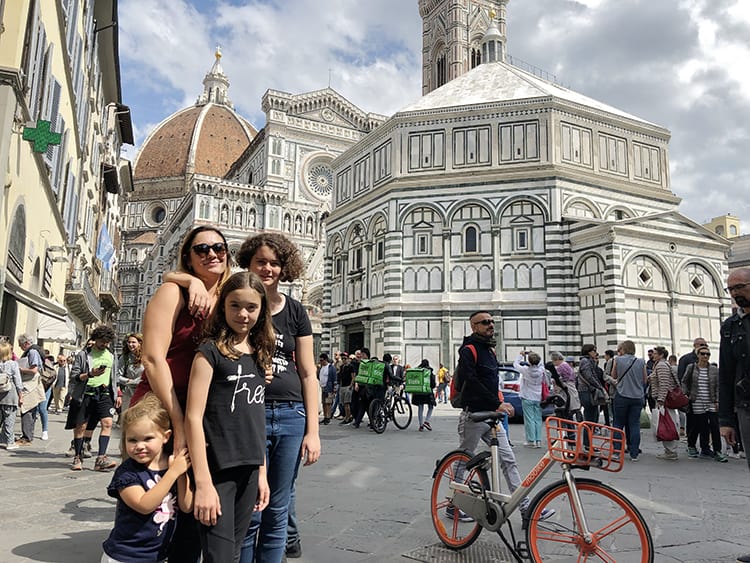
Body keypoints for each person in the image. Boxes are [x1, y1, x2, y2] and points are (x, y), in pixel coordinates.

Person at [135, 225, 232, 563]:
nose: (211, 254)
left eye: (218, 247)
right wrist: (175, 416)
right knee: (155, 494)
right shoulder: (172, 293)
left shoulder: (228, 297)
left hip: (203, 409)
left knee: (190, 500)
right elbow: (151, 357)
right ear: (189, 258)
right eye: (201, 249)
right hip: (161, 406)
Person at [232, 233, 320, 562]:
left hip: (290, 414)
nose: (268, 268)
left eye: (275, 263)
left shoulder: (295, 310)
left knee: (278, 508)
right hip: (248, 413)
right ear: (249, 263)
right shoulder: (238, 305)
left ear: (284, 268)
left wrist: (313, 430)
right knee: (252, 508)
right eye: (261, 262)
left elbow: (309, 373)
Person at [185, 271, 274, 562]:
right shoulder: (209, 352)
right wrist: (203, 483)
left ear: (262, 312)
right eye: (235, 305)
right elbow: (193, 418)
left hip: (249, 469)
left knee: (233, 554)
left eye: (252, 307)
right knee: (219, 556)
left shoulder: (260, 354)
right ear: (223, 306)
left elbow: (256, 418)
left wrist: (261, 474)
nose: (243, 314)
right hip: (217, 470)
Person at [453, 311, 552, 522]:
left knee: (509, 460)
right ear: (474, 326)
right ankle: (453, 505)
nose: (490, 324)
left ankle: (525, 507)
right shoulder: (468, 350)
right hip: (473, 416)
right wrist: (498, 402)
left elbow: (492, 381)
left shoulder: (490, 350)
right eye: (484, 322)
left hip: (492, 417)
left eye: (491, 321)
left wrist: (498, 404)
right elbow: (470, 381)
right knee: (463, 459)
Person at [101, 393, 193, 562]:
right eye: (132, 440)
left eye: (148, 438)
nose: (139, 446)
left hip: (159, 556)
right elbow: (144, 505)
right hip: (125, 557)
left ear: (165, 436)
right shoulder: (127, 473)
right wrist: (173, 474)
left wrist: (180, 474)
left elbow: (186, 506)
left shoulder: (173, 466)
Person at [718, 268, 750, 563]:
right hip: (746, 408)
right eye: (730, 290)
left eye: (739, 287)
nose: (735, 294)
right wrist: (725, 420)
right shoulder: (730, 327)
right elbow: (726, 375)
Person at [66, 325, 121, 471]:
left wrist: (117, 393)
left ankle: (101, 458)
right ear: (95, 339)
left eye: (107, 341)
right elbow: (75, 376)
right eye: (102, 341)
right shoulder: (84, 355)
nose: (104, 344)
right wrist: (90, 374)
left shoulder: (111, 355)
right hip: (86, 394)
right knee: (81, 426)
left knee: (107, 423)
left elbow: (114, 376)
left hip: (105, 394)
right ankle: (78, 456)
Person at [682, 344, 726, 462]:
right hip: (696, 401)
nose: (705, 356)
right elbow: (684, 382)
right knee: (701, 425)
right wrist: (686, 394)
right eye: (703, 354)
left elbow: (718, 386)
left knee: (714, 425)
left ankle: (717, 450)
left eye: (708, 354)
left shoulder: (713, 370)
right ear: (698, 355)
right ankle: (703, 448)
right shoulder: (691, 367)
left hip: (710, 401)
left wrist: (717, 400)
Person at [610, 340, 648, 462]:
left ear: (623, 349)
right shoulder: (641, 361)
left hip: (622, 395)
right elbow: (645, 379)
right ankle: (634, 453)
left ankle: (616, 452)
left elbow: (614, 375)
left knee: (618, 424)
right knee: (634, 424)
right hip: (637, 396)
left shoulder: (618, 359)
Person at [651, 346, 680, 461]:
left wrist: (660, 400)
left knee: (667, 423)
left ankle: (670, 450)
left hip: (664, 399)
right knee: (668, 422)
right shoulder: (662, 364)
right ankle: (670, 450)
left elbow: (664, 383)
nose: (653, 355)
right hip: (664, 398)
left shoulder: (661, 365)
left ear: (661, 354)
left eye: (655, 353)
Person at [16, 334, 46, 445]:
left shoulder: (32, 352)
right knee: (31, 409)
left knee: (27, 409)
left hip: (30, 383)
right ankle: (28, 435)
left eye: (20, 345)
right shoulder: (34, 350)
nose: (20, 347)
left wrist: (21, 369)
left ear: (26, 343)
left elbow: (34, 370)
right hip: (32, 383)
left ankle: (26, 437)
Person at [514, 350, 545, 448]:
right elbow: (541, 363)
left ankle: (531, 440)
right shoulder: (541, 370)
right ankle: (538, 440)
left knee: (529, 419)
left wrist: (520, 355)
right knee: (538, 419)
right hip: (538, 397)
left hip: (527, 396)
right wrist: (534, 354)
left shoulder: (525, 370)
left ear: (529, 361)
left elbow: (515, 364)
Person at [0, 341, 23, 450]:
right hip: (10, 396)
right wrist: (21, 395)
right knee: (9, 419)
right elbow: (18, 382)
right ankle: (10, 442)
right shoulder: (13, 364)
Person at [118, 333, 144, 414]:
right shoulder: (124, 358)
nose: (130, 344)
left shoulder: (146, 356)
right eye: (129, 342)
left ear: (140, 343)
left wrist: (138, 381)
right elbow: (117, 375)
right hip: (128, 393)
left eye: (133, 342)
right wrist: (128, 381)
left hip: (143, 393)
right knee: (127, 418)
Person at [412, 359, 436, 431]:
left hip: (419, 392)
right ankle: (427, 421)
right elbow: (433, 384)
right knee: (431, 407)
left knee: (420, 408)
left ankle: (421, 425)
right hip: (427, 391)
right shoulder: (429, 371)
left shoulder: (418, 371)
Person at [318, 353, 336, 425]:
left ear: (325, 360)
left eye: (322, 360)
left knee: (328, 403)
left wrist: (334, 388)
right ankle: (325, 416)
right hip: (323, 387)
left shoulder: (331, 368)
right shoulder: (321, 368)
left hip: (329, 388)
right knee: (324, 403)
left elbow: (334, 378)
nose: (321, 362)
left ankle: (328, 417)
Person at [336, 354, 354, 425]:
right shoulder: (342, 367)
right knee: (343, 403)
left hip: (347, 386)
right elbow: (340, 376)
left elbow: (353, 376)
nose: (343, 360)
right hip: (342, 386)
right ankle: (346, 417)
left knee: (347, 403)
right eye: (342, 358)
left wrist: (351, 385)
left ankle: (348, 417)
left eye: (345, 358)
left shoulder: (350, 367)